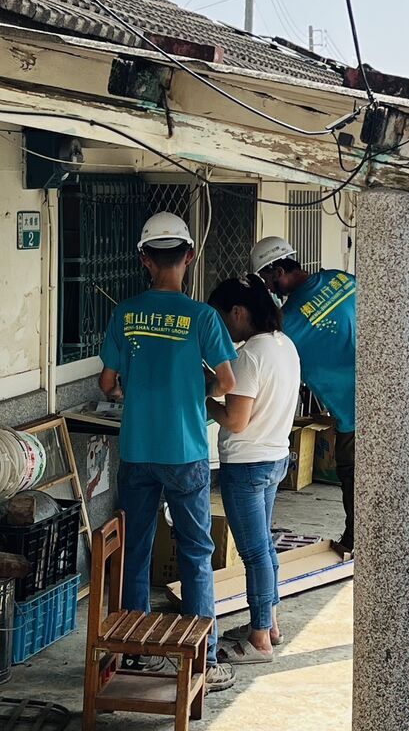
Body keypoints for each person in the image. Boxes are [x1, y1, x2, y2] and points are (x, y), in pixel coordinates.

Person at [98, 212, 237, 692]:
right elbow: (227, 381)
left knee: (135, 550)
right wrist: (193, 389)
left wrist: (130, 394)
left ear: (143, 259)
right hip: (186, 452)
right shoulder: (203, 317)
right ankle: (203, 658)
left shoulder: (125, 313)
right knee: (196, 553)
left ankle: (134, 654)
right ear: (189, 256)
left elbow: (108, 383)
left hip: (137, 449)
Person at [206, 276, 301, 665]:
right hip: (275, 456)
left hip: (247, 464)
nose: (221, 327)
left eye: (221, 318)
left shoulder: (250, 356)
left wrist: (201, 399)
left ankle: (260, 637)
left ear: (238, 312)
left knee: (254, 552)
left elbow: (236, 420)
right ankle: (270, 624)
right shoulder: (284, 344)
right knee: (264, 546)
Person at [250, 237, 356, 553]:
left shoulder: (290, 320)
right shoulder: (341, 279)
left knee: (350, 475)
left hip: (351, 408)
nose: (271, 289)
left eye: (270, 281)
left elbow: (262, 355)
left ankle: (355, 541)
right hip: (385, 393)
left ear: (279, 270)